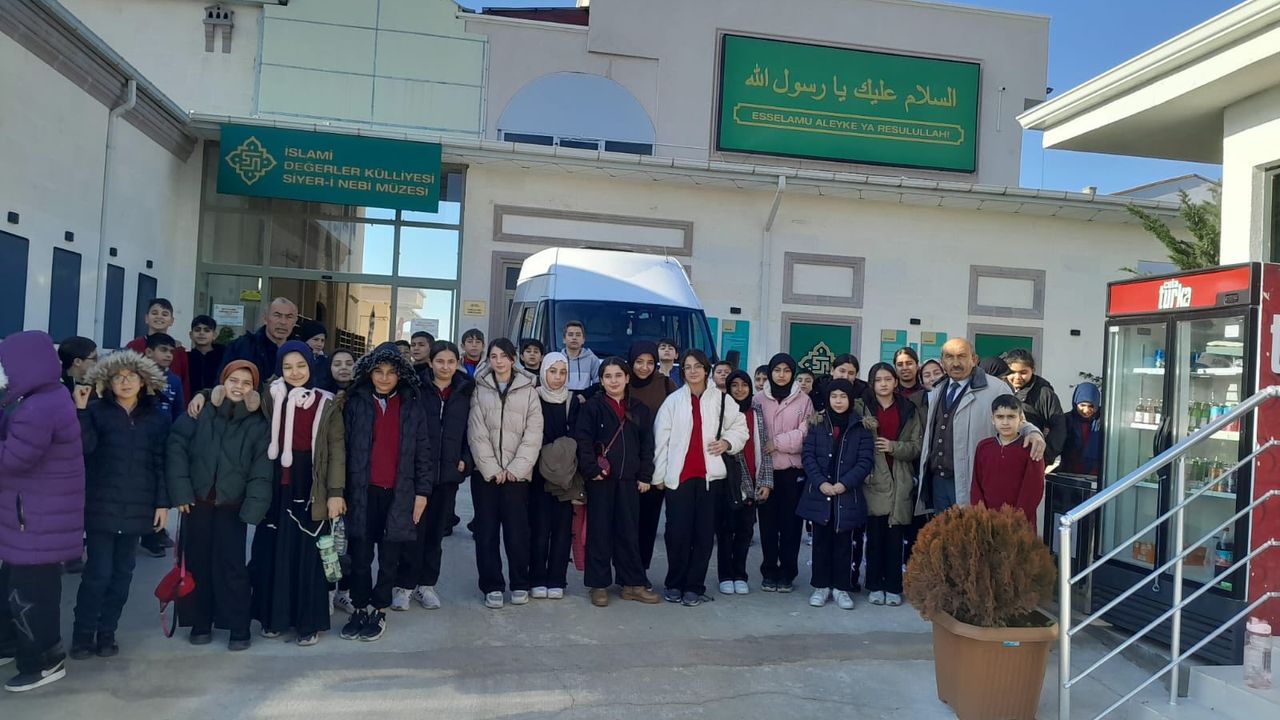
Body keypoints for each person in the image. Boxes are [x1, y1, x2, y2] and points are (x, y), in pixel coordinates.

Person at [71, 350, 170, 660]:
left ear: (143, 381)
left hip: (138, 506)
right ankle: (83, 635)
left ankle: (107, 633)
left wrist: (162, 503)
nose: (125, 382)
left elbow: (161, 462)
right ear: (107, 382)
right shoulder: (96, 412)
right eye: (118, 377)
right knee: (98, 573)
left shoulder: (157, 417)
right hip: (100, 505)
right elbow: (83, 449)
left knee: (122, 574)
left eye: (131, 377)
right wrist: (81, 410)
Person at [166, 360, 271, 652]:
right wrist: (181, 492)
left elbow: (262, 469)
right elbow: (176, 448)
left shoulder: (258, 422)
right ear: (222, 382)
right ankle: (200, 622)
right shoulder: (200, 411)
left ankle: (238, 625)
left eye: (246, 383)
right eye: (233, 380)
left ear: (254, 389)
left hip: (232, 506)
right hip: (196, 503)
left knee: (231, 567)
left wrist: (253, 508)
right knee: (196, 563)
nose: (239, 387)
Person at [0, 331, 84, 692]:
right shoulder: (41, 397)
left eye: (5, 365)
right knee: (13, 586)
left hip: (36, 520)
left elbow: (13, 460)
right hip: (30, 515)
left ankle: (45, 661)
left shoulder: (39, 408)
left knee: (31, 594)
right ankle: (9, 644)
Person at [251, 342, 346, 646]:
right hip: (275, 483)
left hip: (311, 483)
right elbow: (234, 392)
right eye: (288, 366)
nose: (295, 372)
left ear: (310, 366)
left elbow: (336, 450)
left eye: (301, 366)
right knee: (274, 550)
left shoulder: (325, 403)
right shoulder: (269, 397)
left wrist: (335, 492)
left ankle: (307, 623)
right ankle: (274, 617)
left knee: (308, 553)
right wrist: (203, 394)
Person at [340, 343, 433, 642]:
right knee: (360, 556)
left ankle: (379, 610)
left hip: (398, 493)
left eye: (391, 372)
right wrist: (339, 492)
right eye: (378, 371)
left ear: (400, 375)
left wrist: (422, 493)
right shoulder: (356, 402)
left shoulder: (411, 405)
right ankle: (359, 607)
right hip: (361, 492)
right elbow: (343, 449)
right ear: (369, 373)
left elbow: (423, 452)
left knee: (389, 558)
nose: (384, 378)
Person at [654, 350, 747, 607]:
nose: (693, 371)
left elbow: (740, 428)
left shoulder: (722, 400)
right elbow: (661, 441)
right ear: (682, 371)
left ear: (707, 370)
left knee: (704, 535)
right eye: (687, 367)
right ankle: (674, 584)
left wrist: (727, 442)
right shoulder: (673, 402)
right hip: (679, 478)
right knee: (677, 533)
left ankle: (694, 586)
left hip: (711, 478)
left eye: (697, 366)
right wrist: (659, 475)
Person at [917, 339, 1045, 517]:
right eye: (949, 357)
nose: (955, 363)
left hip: (969, 482)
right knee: (944, 532)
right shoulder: (938, 389)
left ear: (974, 359)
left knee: (970, 532)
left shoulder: (996, 388)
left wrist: (1033, 432)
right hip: (938, 482)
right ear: (942, 361)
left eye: (962, 356)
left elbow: (1017, 419)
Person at [573, 357, 661, 606]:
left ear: (627, 378)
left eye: (618, 375)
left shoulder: (639, 409)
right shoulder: (593, 407)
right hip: (600, 480)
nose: (614, 381)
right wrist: (591, 469)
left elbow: (647, 445)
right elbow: (583, 440)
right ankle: (598, 585)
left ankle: (632, 584)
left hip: (630, 481)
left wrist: (645, 475)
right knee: (599, 532)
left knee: (629, 533)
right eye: (608, 376)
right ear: (601, 381)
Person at [468, 338, 542, 609]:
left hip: (516, 478)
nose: (498, 361)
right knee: (486, 532)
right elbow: (476, 432)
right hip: (486, 476)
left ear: (513, 358)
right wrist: (491, 469)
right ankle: (492, 585)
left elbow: (533, 434)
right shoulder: (480, 389)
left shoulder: (529, 390)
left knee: (517, 533)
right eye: (493, 356)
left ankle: (520, 582)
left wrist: (515, 469)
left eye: (503, 356)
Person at [398, 341, 473, 610]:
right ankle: (405, 586)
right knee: (412, 532)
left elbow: (471, 431)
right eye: (440, 361)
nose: (445, 367)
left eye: (451, 362)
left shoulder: (465, 391)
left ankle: (426, 585)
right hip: (418, 474)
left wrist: (466, 459)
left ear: (457, 363)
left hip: (447, 476)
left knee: (435, 535)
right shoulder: (416, 389)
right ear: (430, 362)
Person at [800, 379, 874, 610]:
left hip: (846, 495)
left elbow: (865, 461)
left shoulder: (860, 427)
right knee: (820, 543)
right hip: (820, 494)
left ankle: (841, 588)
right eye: (834, 396)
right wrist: (820, 482)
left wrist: (844, 484)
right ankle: (821, 586)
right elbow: (808, 456)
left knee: (844, 544)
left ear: (850, 399)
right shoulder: (818, 424)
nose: (838, 401)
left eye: (843, 396)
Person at [856, 363, 921, 608]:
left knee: (895, 538)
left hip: (900, 478)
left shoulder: (908, 409)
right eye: (878, 380)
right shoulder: (861, 407)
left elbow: (916, 446)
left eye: (887, 379)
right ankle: (874, 585)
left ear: (895, 382)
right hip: (873, 478)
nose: (883, 384)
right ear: (871, 384)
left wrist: (893, 446)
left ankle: (893, 587)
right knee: (874, 537)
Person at [755, 353, 813, 593]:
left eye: (786, 370)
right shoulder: (758, 399)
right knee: (767, 526)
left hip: (792, 471)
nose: (781, 375)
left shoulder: (804, 400)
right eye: (777, 370)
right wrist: (768, 446)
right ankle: (769, 571)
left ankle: (788, 573)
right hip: (766, 471)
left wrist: (776, 442)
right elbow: (755, 433)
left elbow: (805, 434)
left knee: (791, 526)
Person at [717, 370, 772, 595]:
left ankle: (740, 575)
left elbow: (765, 448)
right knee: (725, 531)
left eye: (744, 385)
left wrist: (766, 481)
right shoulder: (721, 412)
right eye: (735, 385)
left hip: (753, 479)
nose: (740, 389)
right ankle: (725, 575)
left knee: (745, 531)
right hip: (728, 481)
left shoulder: (757, 412)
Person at [528, 353, 577, 599]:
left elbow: (577, 436)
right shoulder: (533, 397)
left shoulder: (572, 400)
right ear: (543, 371)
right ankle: (537, 578)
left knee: (562, 528)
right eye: (553, 371)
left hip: (565, 475)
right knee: (538, 528)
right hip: (537, 474)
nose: (558, 377)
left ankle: (557, 579)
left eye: (563, 372)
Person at [626, 341, 676, 572]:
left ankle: (640, 572)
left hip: (656, 461)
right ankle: (625, 571)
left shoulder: (665, 384)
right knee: (626, 522)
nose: (644, 367)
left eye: (649, 362)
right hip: (625, 461)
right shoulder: (622, 380)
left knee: (647, 522)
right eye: (639, 362)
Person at [972, 395, 1046, 531]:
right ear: (993, 419)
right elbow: (976, 486)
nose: (1005, 422)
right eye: (1000, 417)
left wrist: (1017, 520)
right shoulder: (983, 447)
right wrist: (981, 516)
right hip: (988, 522)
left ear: (1021, 419)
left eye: (1011, 417)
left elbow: (1033, 490)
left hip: (1020, 524)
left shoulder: (1030, 448)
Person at [1003, 349, 1067, 466]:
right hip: (1002, 457)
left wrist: (1045, 456)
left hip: (1032, 459)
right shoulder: (1000, 388)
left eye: (1023, 372)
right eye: (1012, 372)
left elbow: (1059, 427)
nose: (1017, 377)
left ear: (1033, 370)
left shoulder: (1044, 393)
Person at [126, 298, 190, 403]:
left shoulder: (178, 350)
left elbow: (184, 384)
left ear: (171, 321)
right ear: (146, 318)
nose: (159, 317)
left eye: (165, 314)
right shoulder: (133, 347)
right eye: (154, 313)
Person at [220, 298, 299, 382]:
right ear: (265, 318)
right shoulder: (242, 347)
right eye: (277, 315)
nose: (283, 322)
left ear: (295, 322)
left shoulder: (300, 351)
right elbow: (222, 382)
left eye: (289, 317)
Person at [1060, 382, 1102, 476]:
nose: (1086, 410)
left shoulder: (1103, 421)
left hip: (1096, 475)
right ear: (1076, 403)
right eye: (1082, 405)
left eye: (1091, 406)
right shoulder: (1066, 420)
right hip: (1069, 473)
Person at [145, 333, 185, 423]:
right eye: (163, 350)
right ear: (149, 352)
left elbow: (178, 412)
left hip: (167, 430)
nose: (169, 355)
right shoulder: (138, 377)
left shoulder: (175, 381)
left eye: (171, 351)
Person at [187, 316, 225, 396]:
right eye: (197, 330)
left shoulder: (224, 356)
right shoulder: (186, 358)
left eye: (207, 330)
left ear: (214, 335)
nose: (201, 333)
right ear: (191, 335)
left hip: (217, 400)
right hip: (191, 401)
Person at [562, 321, 602, 392]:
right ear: (564, 339)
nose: (574, 338)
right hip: (562, 397)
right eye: (570, 335)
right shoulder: (558, 359)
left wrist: (585, 395)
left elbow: (598, 383)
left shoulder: (592, 359)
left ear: (583, 340)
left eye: (578, 335)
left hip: (584, 398)